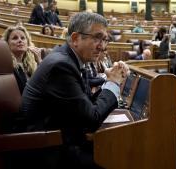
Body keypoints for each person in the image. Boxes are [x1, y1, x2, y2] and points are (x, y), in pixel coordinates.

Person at [19, 12, 129, 169]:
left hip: (61, 138)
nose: (102, 46)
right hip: (50, 151)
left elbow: (84, 105)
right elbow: (91, 120)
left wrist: (110, 80)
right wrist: (113, 83)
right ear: (76, 38)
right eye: (97, 38)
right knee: (124, 156)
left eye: (104, 39)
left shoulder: (67, 59)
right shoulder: (61, 66)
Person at [2, 25, 42, 94]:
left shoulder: (29, 65)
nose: (20, 40)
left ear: (28, 43)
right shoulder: (6, 64)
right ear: (7, 43)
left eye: (23, 38)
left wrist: (39, 62)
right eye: (15, 38)